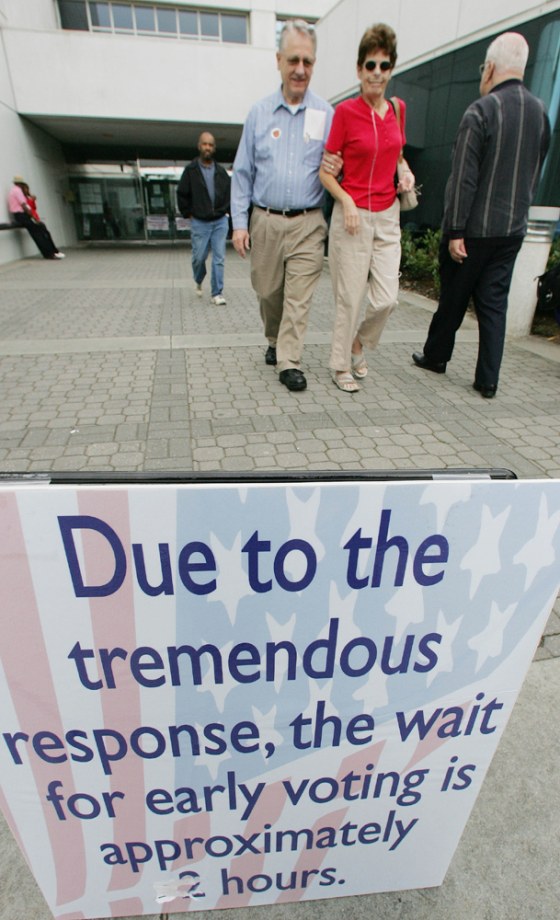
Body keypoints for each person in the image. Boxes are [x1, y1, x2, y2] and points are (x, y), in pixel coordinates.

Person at [412, 31, 550, 398]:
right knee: (493, 304)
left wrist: (455, 229)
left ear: (490, 68)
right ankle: (488, 380)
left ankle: (436, 356)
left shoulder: (482, 110)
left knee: (453, 299)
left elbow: (464, 177)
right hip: (511, 231)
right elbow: (535, 168)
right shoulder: (541, 113)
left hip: (473, 229)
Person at [231, 19, 333, 392]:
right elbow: (242, 173)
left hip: (308, 221)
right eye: (293, 60)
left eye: (307, 61)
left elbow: (338, 164)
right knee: (268, 291)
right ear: (278, 61)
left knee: (298, 298)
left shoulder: (326, 114)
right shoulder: (259, 113)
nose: (300, 70)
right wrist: (240, 224)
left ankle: (289, 360)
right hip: (266, 221)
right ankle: (273, 338)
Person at [319, 23, 415, 393]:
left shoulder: (397, 109)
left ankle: (359, 344)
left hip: (388, 215)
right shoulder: (344, 113)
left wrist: (404, 173)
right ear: (359, 70)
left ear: (391, 70)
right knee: (350, 297)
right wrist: (345, 201)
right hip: (353, 217)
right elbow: (325, 174)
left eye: (384, 65)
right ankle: (340, 363)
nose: (377, 73)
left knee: (387, 298)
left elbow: (399, 154)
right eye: (370, 65)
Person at [177, 132, 231, 305]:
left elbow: (229, 193)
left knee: (219, 258)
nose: (208, 147)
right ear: (199, 146)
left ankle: (217, 292)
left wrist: (227, 211)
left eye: (211, 145)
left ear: (214, 148)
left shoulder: (221, 172)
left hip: (220, 220)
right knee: (199, 257)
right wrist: (189, 213)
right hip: (200, 221)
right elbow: (182, 194)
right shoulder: (191, 170)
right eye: (205, 144)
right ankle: (199, 279)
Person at [7, 176, 64, 260]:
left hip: (18, 215)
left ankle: (52, 251)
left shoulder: (12, 190)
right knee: (38, 233)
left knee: (39, 230)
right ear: (21, 183)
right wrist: (32, 215)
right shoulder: (18, 191)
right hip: (22, 215)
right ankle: (49, 253)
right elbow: (23, 204)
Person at [21, 183, 64, 257]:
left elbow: (34, 208)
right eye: (25, 188)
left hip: (35, 216)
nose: (26, 190)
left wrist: (33, 200)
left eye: (27, 188)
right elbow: (28, 209)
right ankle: (50, 251)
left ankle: (53, 250)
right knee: (42, 235)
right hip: (32, 217)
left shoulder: (28, 198)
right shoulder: (23, 199)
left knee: (46, 233)